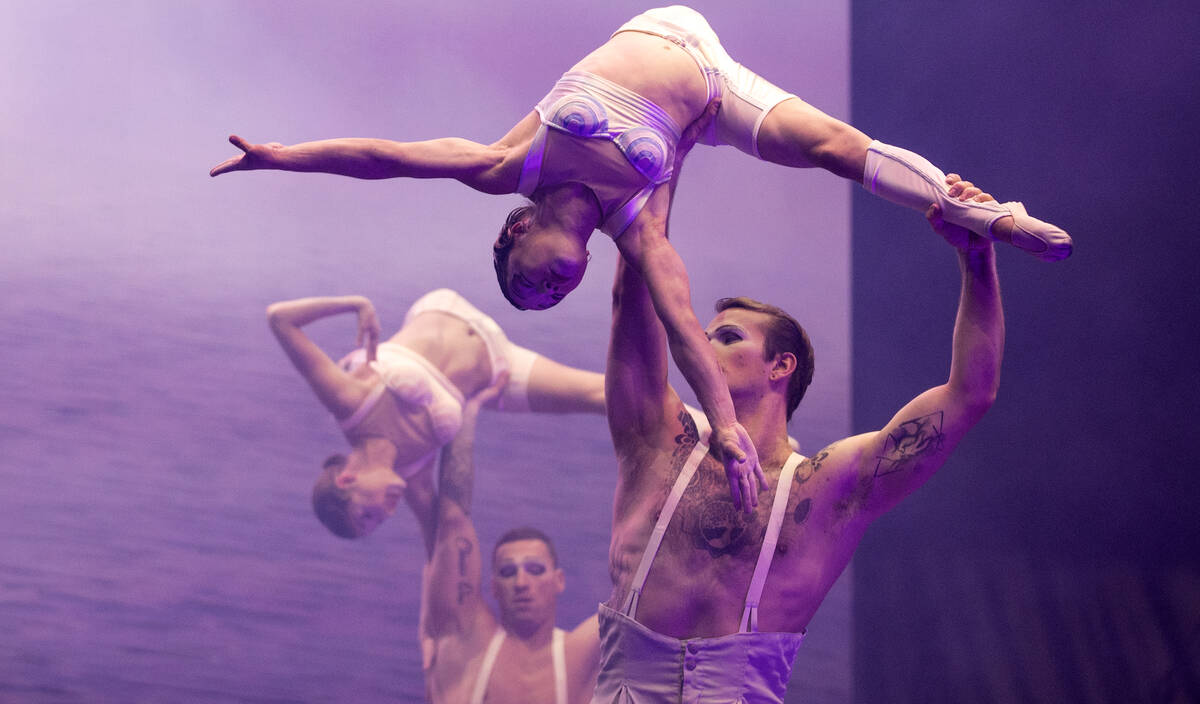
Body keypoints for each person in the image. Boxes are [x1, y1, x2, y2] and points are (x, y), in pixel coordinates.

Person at [213, 5, 1061, 512]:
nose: (552, 286)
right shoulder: (635, 231)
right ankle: (979, 220)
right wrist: (728, 430)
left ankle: (979, 211)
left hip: (668, 32)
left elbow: (390, 158)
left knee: (841, 147)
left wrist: (283, 156)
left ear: (515, 230)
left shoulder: (510, 166)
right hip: (714, 97)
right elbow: (687, 332)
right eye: (552, 299)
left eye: (530, 280)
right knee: (833, 148)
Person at [593, 179, 1005, 701]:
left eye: (728, 336)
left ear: (780, 366)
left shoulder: (827, 485)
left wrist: (977, 257)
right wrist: (650, 164)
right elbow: (629, 300)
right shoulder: (658, 439)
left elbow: (970, 394)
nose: (703, 341)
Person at [264, 287, 605, 541]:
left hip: (446, 310)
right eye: (380, 520)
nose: (389, 511)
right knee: (605, 396)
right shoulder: (414, 475)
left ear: (346, 479)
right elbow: (440, 543)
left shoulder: (349, 403)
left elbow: (279, 318)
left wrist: (356, 304)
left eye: (370, 514)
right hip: (500, 369)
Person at [418, 373, 600, 704]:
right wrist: (467, 415)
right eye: (508, 571)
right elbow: (452, 520)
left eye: (534, 569)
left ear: (558, 580)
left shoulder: (583, 657)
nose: (521, 582)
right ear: (492, 587)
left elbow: (650, 578)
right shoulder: (466, 647)